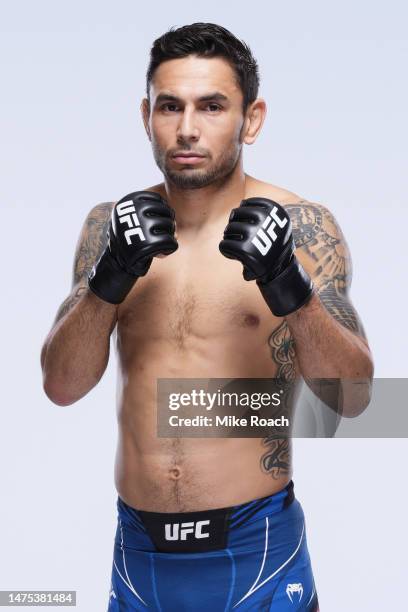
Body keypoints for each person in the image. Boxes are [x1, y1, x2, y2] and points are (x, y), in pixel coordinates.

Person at [40, 22, 373, 611]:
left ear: (252, 118)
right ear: (146, 115)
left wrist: (288, 287)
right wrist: (109, 278)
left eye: (212, 106)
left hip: (260, 551)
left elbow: (352, 397)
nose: (187, 128)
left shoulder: (303, 227)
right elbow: (62, 386)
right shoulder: (109, 228)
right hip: (139, 556)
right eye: (170, 106)